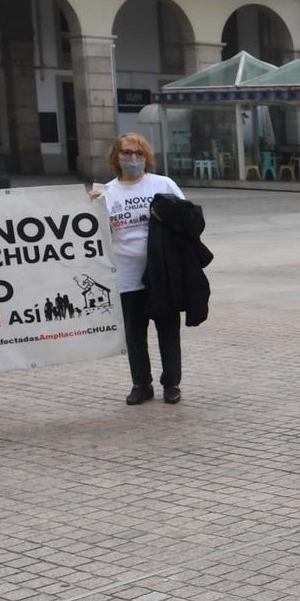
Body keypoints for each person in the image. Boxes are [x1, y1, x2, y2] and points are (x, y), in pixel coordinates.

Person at [93, 133, 188, 405]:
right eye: (126, 153)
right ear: (116, 157)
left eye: (138, 153)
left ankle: (172, 383)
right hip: (125, 274)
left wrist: (168, 217)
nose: (133, 159)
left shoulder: (163, 184)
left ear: (147, 157)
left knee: (168, 330)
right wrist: (86, 207)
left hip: (162, 274)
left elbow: (190, 218)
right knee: (135, 334)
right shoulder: (106, 193)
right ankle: (141, 384)